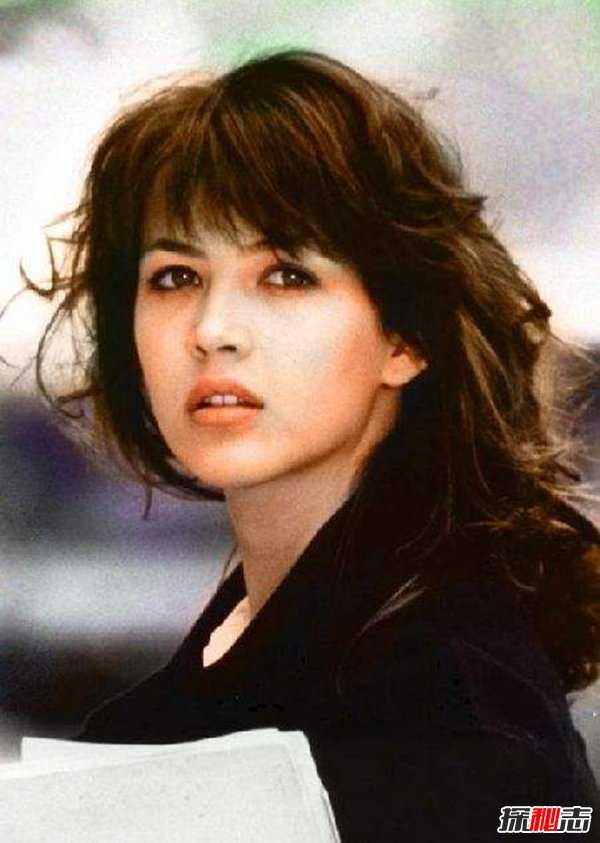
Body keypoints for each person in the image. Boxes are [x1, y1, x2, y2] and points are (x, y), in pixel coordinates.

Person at [23, 50, 600, 839]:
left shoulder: (458, 716)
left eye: (286, 275)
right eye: (175, 277)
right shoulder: (211, 681)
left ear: (405, 336)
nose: (213, 330)